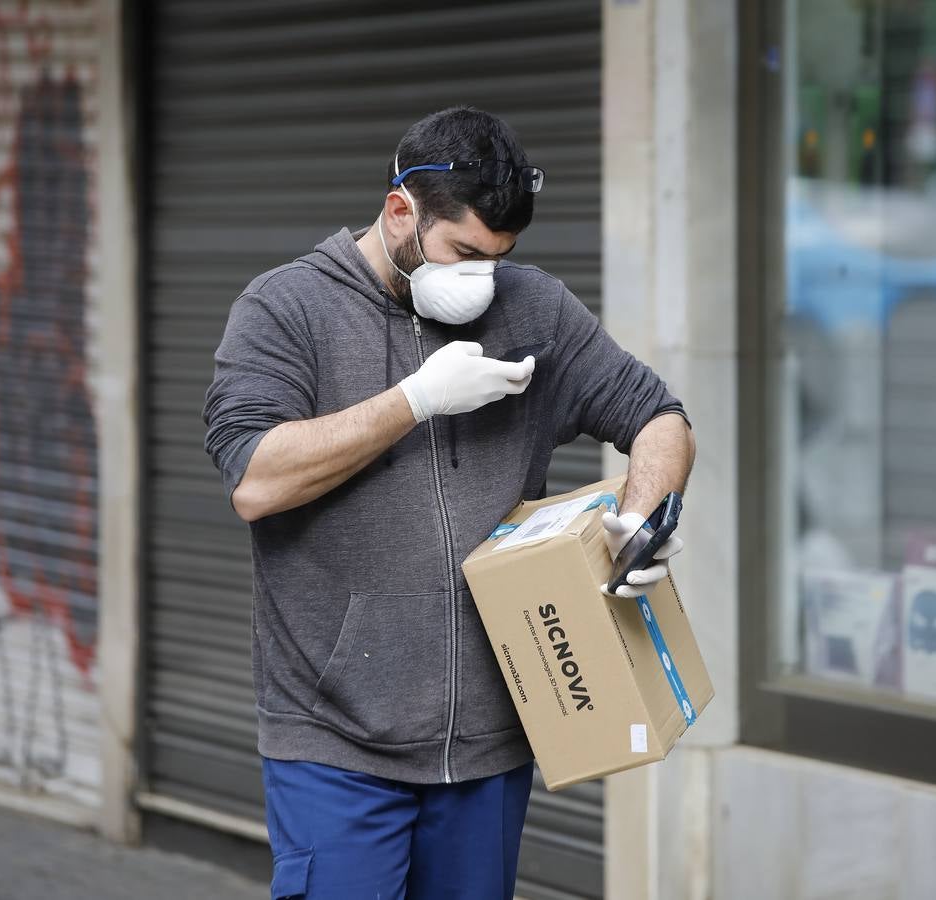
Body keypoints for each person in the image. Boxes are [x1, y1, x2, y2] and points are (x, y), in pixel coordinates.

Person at [203, 106, 694, 900]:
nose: (481, 277)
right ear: (401, 210)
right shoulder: (287, 309)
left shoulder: (531, 309)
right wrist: (415, 400)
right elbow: (257, 481)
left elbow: (660, 416)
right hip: (337, 746)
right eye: (462, 251)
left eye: (497, 258)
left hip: (491, 749)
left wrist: (645, 519)